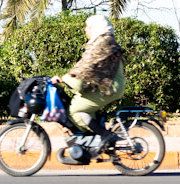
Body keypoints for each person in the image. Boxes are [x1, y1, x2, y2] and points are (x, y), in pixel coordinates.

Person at [50, 14, 125, 149]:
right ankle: (92, 141)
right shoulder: (103, 42)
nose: (85, 30)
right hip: (107, 85)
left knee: (74, 110)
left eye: (87, 27)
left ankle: (104, 135)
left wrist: (64, 79)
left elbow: (85, 67)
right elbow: (85, 68)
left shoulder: (102, 44)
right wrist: (68, 78)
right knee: (81, 103)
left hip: (109, 87)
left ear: (95, 28)